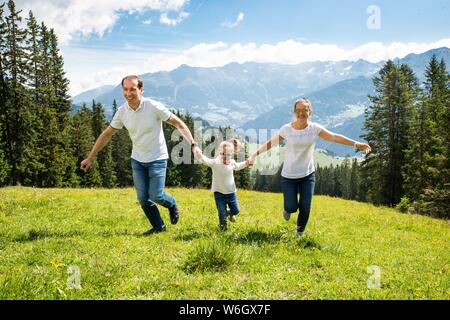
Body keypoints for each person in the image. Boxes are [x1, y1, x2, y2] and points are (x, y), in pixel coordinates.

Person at [80, 75, 201, 235]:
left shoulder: (153, 106)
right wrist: (90, 157)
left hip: (157, 158)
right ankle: (159, 227)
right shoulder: (122, 112)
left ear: (141, 89)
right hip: (137, 160)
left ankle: (171, 203)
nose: (128, 93)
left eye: (133, 89)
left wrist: (193, 145)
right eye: (125, 89)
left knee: (156, 195)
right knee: (143, 199)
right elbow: (107, 134)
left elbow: (178, 123)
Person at [248, 98, 371, 237]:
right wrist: (253, 155)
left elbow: (334, 137)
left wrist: (356, 144)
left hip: (307, 175)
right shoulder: (286, 129)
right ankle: (287, 209)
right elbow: (270, 143)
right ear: (294, 112)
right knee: (291, 207)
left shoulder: (315, 129)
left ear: (309, 111)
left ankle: (299, 234)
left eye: (304, 110)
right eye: (298, 110)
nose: (301, 113)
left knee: (306, 207)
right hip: (288, 176)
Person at [195, 139, 250, 231]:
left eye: (228, 154)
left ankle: (229, 213)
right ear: (219, 153)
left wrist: (246, 163)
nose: (225, 156)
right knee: (221, 213)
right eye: (222, 154)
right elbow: (205, 160)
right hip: (219, 194)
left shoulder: (232, 162)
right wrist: (199, 155)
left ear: (232, 154)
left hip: (231, 193)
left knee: (236, 210)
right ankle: (223, 230)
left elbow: (239, 166)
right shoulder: (215, 163)